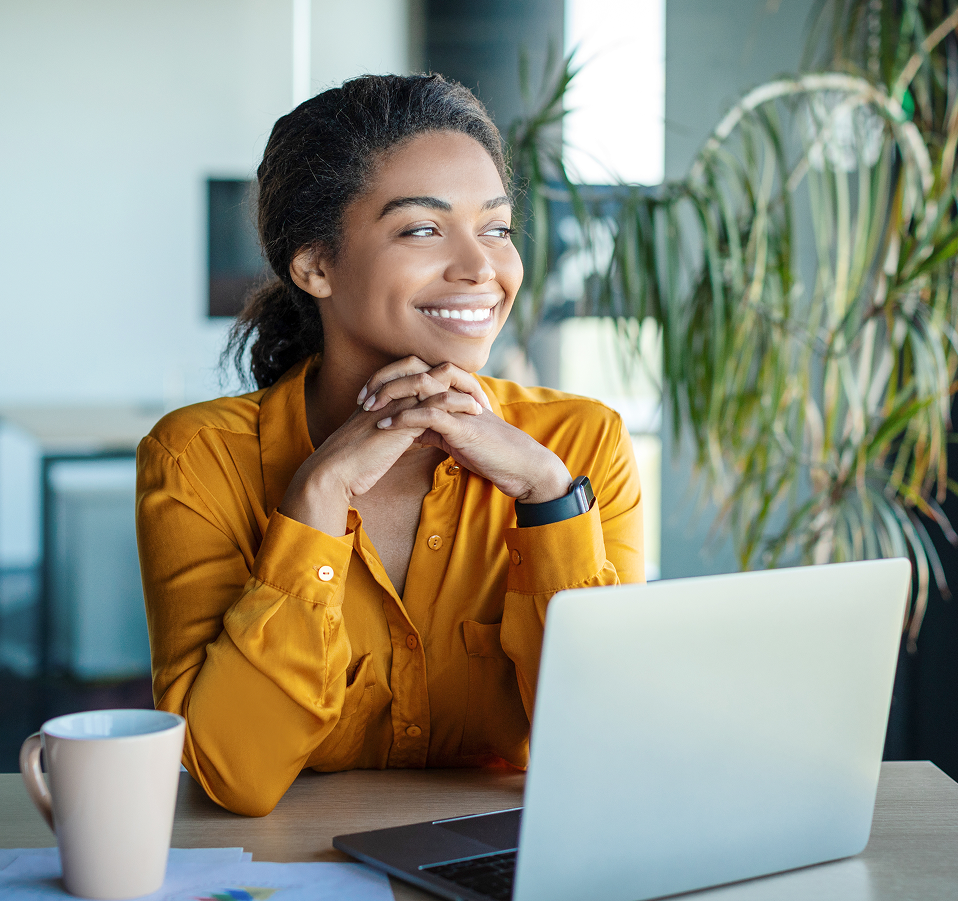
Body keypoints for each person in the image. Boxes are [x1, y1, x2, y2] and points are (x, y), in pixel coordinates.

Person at [136, 73, 644, 817]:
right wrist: (313, 502)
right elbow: (232, 774)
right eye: (422, 229)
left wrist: (547, 500)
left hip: (508, 867)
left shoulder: (576, 446)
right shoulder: (197, 459)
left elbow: (612, 747)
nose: (481, 269)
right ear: (314, 266)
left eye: (496, 228)